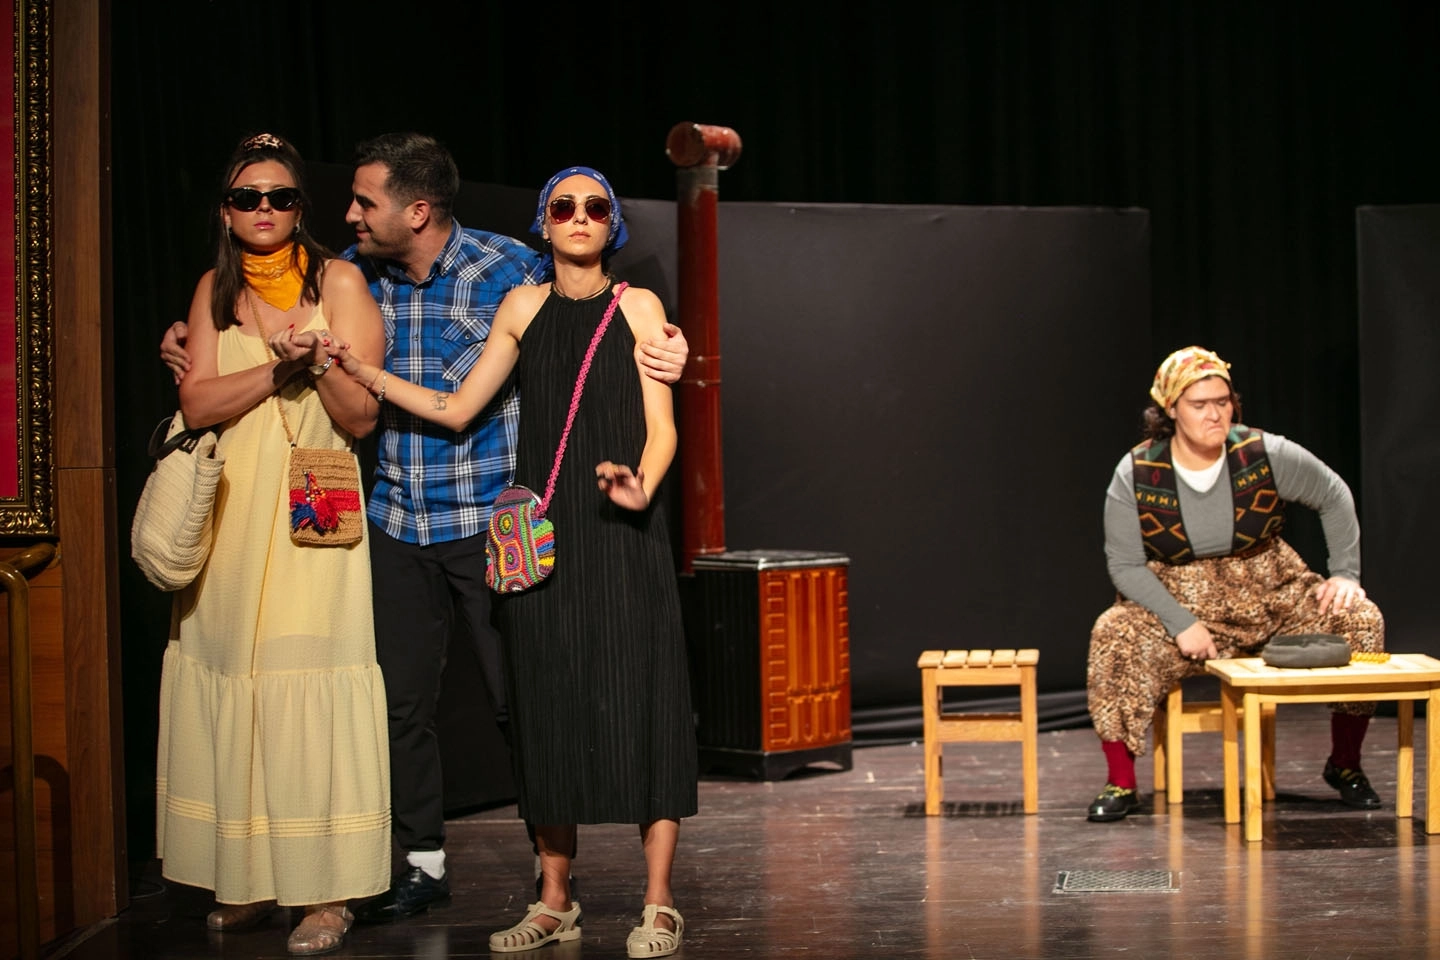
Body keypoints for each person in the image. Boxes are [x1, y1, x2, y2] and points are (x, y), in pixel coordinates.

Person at [159, 133, 690, 924]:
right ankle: (422, 860)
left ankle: (552, 875)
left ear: (416, 211)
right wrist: (186, 334)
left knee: (520, 697)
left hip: (487, 518)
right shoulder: (350, 273)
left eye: (364, 202)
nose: (349, 215)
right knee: (400, 704)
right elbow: (263, 313)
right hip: (393, 516)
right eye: (563, 207)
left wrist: (671, 345)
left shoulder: (509, 269)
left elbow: (594, 306)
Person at [309, 165, 696, 958]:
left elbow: (662, 426)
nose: (581, 216)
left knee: (647, 700)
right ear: (543, 223)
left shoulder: (639, 307)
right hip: (540, 534)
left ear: (613, 225)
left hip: (623, 530)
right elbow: (458, 407)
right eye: (565, 205)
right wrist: (366, 374)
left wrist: (641, 486)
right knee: (543, 707)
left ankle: (659, 900)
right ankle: (554, 897)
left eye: (597, 206)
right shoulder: (521, 304)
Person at [154, 132, 389, 955]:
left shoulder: (339, 284)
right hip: (231, 514)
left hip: (313, 509)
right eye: (247, 197)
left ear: (299, 209)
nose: (264, 209)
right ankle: (250, 879)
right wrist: (277, 369)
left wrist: (317, 361)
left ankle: (327, 892)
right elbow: (197, 403)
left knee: (307, 683)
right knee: (237, 685)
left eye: (280, 196)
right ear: (226, 211)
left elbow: (362, 417)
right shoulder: (214, 289)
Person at [1085, 345, 1385, 822]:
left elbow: (1333, 494)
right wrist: (1181, 622)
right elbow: (1124, 564)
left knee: (1360, 619)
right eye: (1199, 405)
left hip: (1271, 592)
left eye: (1222, 402)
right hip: (1183, 599)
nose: (1214, 414)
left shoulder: (1263, 453)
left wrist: (1345, 573)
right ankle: (1120, 781)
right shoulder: (1138, 472)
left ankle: (1345, 763)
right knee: (1113, 633)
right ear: (1171, 409)